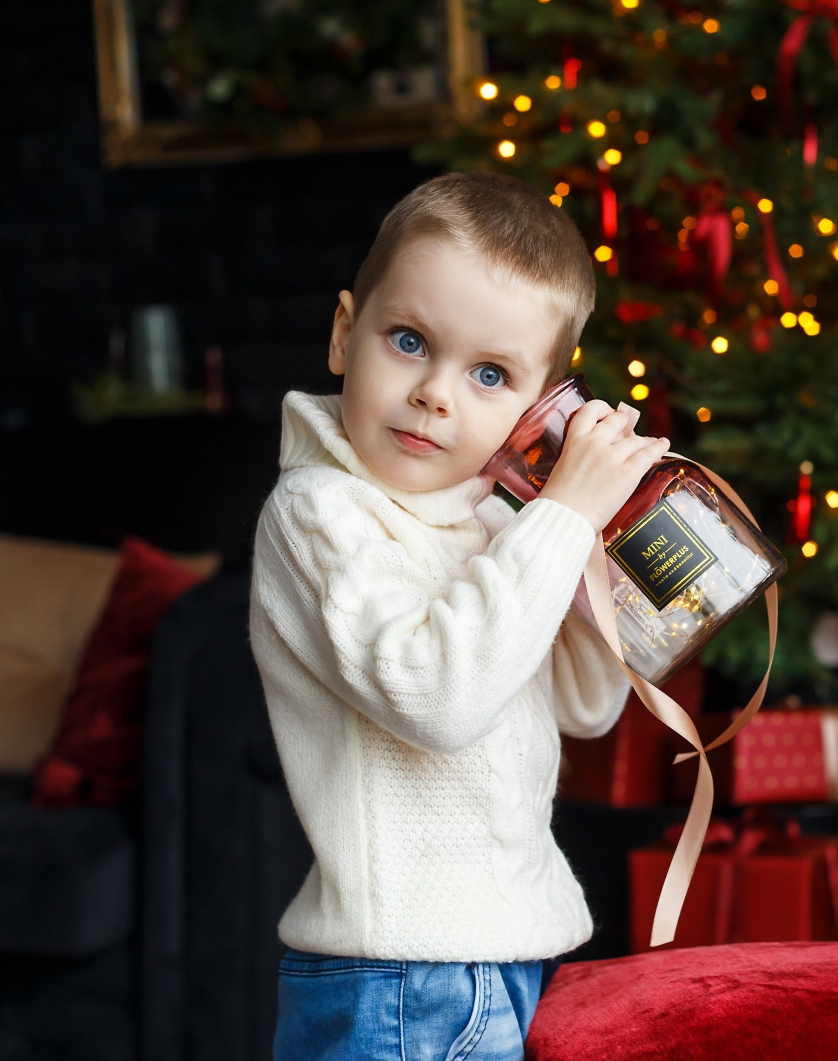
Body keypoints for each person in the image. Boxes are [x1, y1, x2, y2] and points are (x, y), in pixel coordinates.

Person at [248, 169, 668, 1061]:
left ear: (538, 409)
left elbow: (585, 707)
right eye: (408, 340)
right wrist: (556, 523)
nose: (437, 393)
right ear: (342, 333)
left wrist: (581, 536)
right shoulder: (320, 512)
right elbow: (437, 697)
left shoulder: (494, 523)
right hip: (398, 978)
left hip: (510, 958)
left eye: (489, 374)